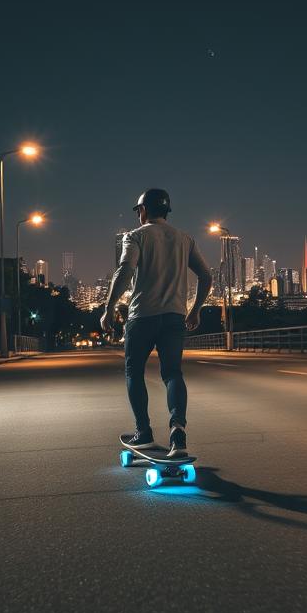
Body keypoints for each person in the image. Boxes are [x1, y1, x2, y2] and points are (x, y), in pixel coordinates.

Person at [100, 188, 213, 458]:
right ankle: (178, 431)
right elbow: (206, 276)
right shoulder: (185, 238)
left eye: (138, 210)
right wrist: (194, 310)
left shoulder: (136, 236)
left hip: (142, 317)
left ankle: (144, 433)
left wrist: (109, 307)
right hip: (175, 317)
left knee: (134, 372)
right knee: (173, 374)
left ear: (143, 210)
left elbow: (125, 270)